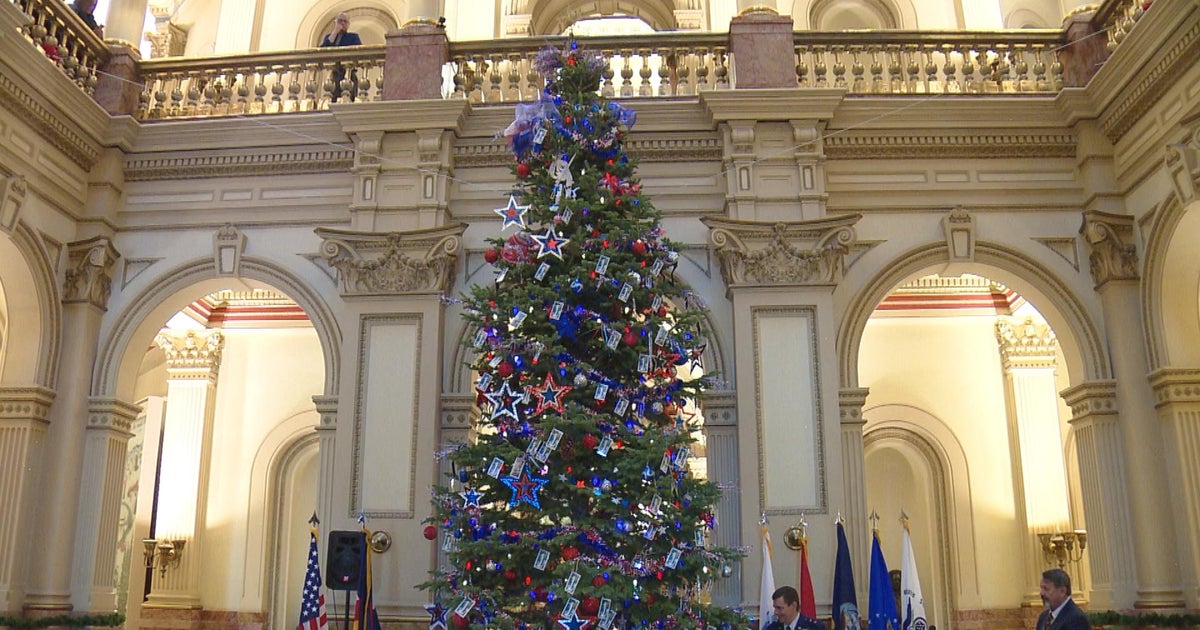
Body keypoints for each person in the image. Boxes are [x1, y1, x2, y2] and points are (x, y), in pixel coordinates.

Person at [319, 12, 362, 101]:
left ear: (348, 24)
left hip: (349, 74)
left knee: (349, 100)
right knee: (332, 100)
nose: (342, 23)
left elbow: (359, 52)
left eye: (345, 21)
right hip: (333, 75)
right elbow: (322, 51)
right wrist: (335, 32)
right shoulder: (329, 37)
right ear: (335, 23)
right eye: (340, 21)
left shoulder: (353, 37)